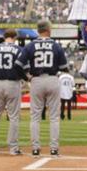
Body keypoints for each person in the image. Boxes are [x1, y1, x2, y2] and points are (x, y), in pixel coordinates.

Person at [17, 21, 67, 157]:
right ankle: (54, 149)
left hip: (36, 80)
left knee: (35, 117)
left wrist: (27, 77)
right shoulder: (56, 46)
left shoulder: (30, 45)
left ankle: (35, 149)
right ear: (48, 30)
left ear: (38, 30)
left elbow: (18, 64)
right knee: (54, 117)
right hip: (52, 79)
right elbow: (64, 68)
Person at [0, 29, 24, 155]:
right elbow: (23, 68)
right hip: (13, 83)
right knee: (13, 117)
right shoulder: (19, 50)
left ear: (4, 37)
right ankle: (13, 148)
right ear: (15, 37)